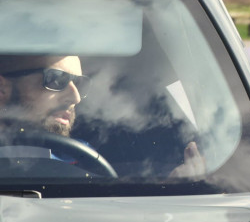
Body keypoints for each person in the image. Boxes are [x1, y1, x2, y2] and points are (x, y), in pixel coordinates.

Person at [0, 54, 205, 177]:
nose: (75, 97)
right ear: (2, 88)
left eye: (79, 83)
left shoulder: (82, 156)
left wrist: (169, 189)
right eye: (56, 80)